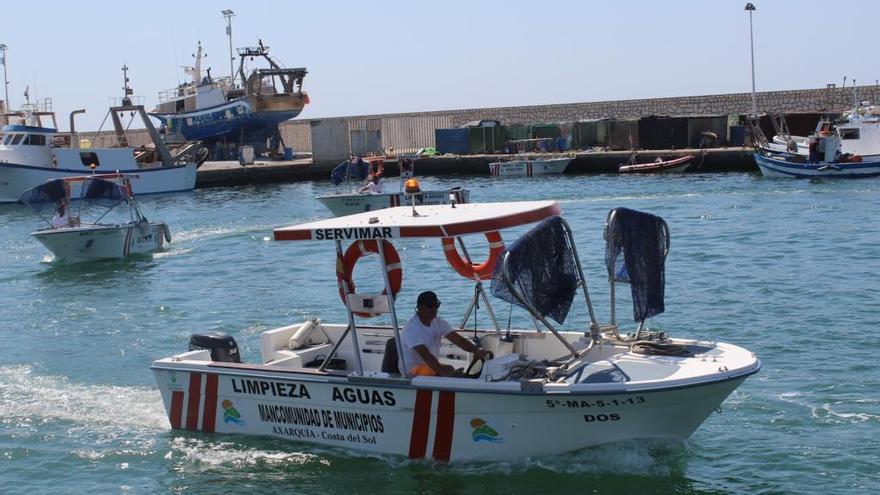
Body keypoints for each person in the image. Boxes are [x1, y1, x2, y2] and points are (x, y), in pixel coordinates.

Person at [401, 291, 488, 376]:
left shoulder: (439, 323)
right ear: (419, 307)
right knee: (436, 372)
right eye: (430, 306)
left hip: (428, 366)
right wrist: (444, 372)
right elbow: (426, 356)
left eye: (436, 305)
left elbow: (459, 341)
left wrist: (476, 350)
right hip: (411, 371)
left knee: (449, 368)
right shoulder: (412, 329)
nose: (434, 309)